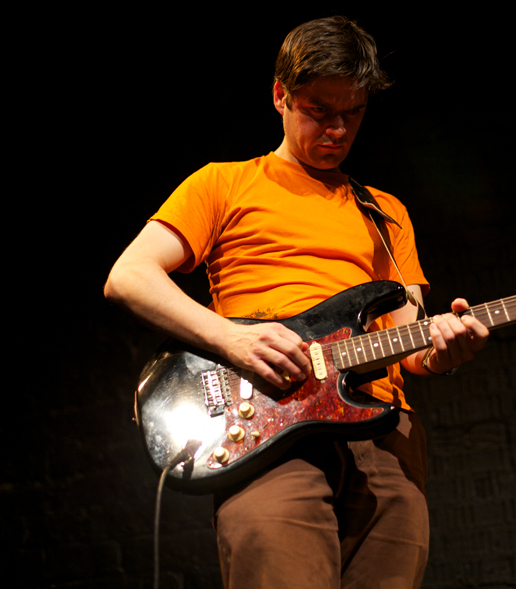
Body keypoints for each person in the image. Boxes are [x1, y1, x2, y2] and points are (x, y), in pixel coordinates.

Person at [105, 16, 488, 588]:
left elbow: (413, 343)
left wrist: (443, 351)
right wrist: (230, 337)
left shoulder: (384, 211)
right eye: (318, 109)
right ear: (280, 95)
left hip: (384, 438)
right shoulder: (223, 184)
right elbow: (129, 276)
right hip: (268, 427)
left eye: (352, 113)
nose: (336, 129)